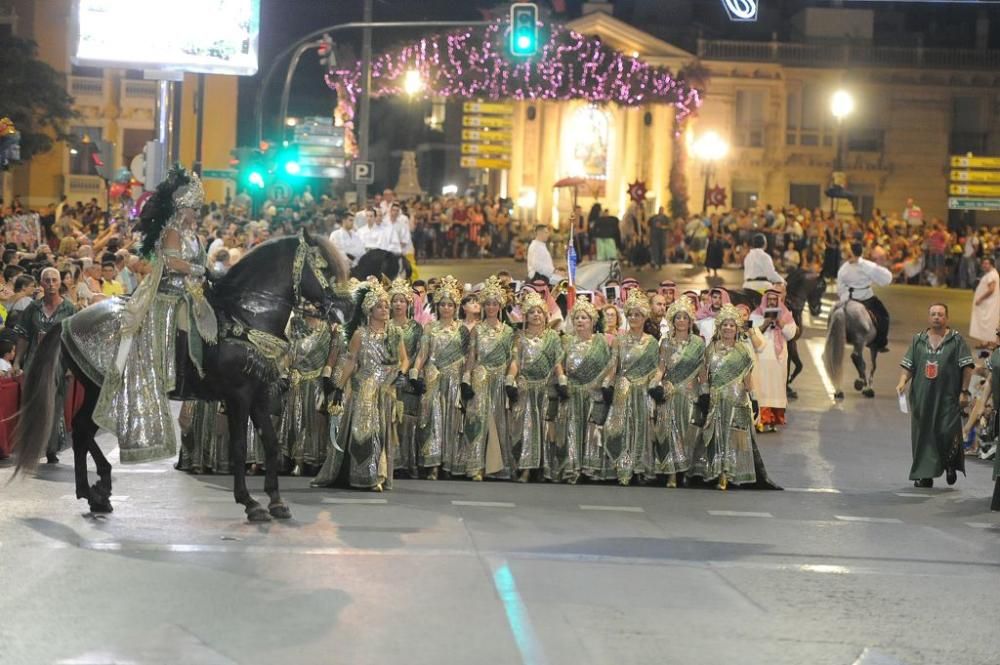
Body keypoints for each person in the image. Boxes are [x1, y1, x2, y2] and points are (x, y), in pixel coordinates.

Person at [89, 167, 217, 465]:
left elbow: (198, 261)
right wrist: (201, 270)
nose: (197, 213)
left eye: (198, 208)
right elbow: (173, 264)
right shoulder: (172, 231)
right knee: (191, 324)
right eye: (193, 208)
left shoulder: (192, 233)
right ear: (180, 207)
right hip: (169, 298)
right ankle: (181, 374)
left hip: (191, 292)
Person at [314, 280, 408, 491]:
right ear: (369, 310)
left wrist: (401, 374)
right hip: (364, 387)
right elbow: (350, 361)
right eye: (379, 306)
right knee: (365, 430)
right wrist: (339, 387)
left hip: (386, 387)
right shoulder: (360, 334)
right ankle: (366, 475)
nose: (385, 309)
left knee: (382, 430)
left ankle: (380, 475)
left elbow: (404, 359)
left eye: (386, 306)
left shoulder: (395, 333)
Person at [896, 303, 974, 488]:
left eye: (940, 314)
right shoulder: (918, 340)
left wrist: (964, 391)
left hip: (948, 397)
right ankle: (925, 475)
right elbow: (909, 366)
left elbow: (967, 368)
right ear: (928, 317)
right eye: (933, 314)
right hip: (922, 397)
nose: (936, 317)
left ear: (947, 318)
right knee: (923, 435)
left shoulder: (956, 340)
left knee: (947, 432)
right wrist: (902, 382)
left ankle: (949, 463)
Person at [688, 304, 758, 490]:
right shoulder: (711, 349)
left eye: (732, 325)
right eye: (724, 325)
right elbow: (704, 375)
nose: (728, 328)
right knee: (716, 436)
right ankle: (715, 471)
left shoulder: (743, 350)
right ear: (719, 328)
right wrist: (703, 393)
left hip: (737, 401)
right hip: (716, 400)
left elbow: (747, 376)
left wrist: (754, 398)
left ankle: (728, 473)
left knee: (733, 437)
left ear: (737, 328)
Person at [13, 267, 76, 463]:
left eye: (54, 280)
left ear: (60, 283)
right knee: (33, 402)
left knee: (55, 404)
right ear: (41, 284)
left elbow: (74, 340)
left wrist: (71, 367)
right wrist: (17, 361)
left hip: (59, 363)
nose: (50, 284)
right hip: (34, 362)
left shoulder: (69, 309)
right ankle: (32, 446)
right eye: (46, 280)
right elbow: (23, 335)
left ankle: (51, 448)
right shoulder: (33, 308)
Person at [413, 276, 470, 480]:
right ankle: (433, 464)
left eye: (450, 304)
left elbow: (468, 358)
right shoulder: (430, 328)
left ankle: (449, 463)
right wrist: (414, 373)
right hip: (433, 378)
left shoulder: (463, 330)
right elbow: (423, 354)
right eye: (443, 304)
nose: (446, 308)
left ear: (456, 307)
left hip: (454, 381)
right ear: (437, 306)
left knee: (453, 423)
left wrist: (466, 380)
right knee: (433, 420)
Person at [601, 290, 660, 485]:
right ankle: (623, 467)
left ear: (645, 317)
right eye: (631, 314)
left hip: (643, 391)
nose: (634, 318)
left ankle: (640, 467)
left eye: (638, 314)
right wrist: (607, 384)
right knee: (619, 428)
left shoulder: (651, 343)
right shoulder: (620, 339)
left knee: (641, 427)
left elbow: (654, 370)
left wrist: (653, 390)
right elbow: (613, 364)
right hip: (622, 388)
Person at [463, 276, 517, 481]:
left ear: (500, 306)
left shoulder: (508, 332)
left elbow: (513, 358)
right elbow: (471, 357)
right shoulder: (477, 330)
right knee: (478, 419)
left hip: (501, 379)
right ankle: (476, 465)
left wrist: (510, 380)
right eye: (488, 304)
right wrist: (466, 379)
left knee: (499, 421)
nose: (492, 307)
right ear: (484, 306)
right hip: (481, 376)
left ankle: (497, 467)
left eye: (495, 304)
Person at [508, 289, 565, 482]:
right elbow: (515, 362)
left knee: (545, 428)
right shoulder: (519, 337)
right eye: (532, 311)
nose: (536, 315)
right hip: (525, 388)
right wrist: (510, 381)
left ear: (545, 314)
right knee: (525, 427)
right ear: (525, 315)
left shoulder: (553, 337)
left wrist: (562, 381)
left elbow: (557, 363)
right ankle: (524, 468)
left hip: (546, 388)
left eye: (539, 311)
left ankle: (543, 468)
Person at [553, 298, 611, 484]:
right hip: (573, 392)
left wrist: (601, 384)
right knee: (573, 430)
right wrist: (562, 381)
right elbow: (558, 363)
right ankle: (573, 468)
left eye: (584, 317)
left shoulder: (602, 341)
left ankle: (591, 469)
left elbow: (610, 364)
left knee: (593, 431)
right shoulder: (567, 341)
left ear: (592, 321)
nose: (580, 321)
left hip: (595, 393)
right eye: (576, 317)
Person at [651, 299, 702, 487]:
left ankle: (686, 470)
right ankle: (671, 472)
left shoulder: (698, 343)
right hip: (669, 392)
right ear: (673, 320)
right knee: (668, 430)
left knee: (688, 432)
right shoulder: (666, 343)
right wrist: (655, 384)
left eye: (685, 318)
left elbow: (702, 370)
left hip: (690, 393)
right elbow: (660, 368)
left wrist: (703, 393)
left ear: (690, 321)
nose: (681, 321)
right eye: (678, 317)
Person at [749, 288, 797, 432]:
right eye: (768, 299)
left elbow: (791, 334)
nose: (771, 302)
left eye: (774, 300)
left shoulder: (786, 315)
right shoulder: (756, 314)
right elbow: (753, 332)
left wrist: (780, 323)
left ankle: (774, 421)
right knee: (762, 388)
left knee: (776, 388)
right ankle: (761, 421)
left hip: (778, 359)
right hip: (761, 357)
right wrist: (767, 322)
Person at [390, 277, 424, 479]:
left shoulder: (416, 328)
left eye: (402, 300)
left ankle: (406, 463)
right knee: (390, 419)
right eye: (395, 300)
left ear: (408, 303)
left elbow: (419, 353)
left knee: (407, 422)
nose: (398, 304)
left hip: (409, 381)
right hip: (387, 378)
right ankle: (390, 463)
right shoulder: (385, 327)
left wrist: (410, 374)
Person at [837, 241, 893, 352]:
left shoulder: (844, 269)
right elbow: (886, 278)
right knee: (883, 317)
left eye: (849, 254)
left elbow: (840, 287)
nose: (848, 257)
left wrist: (843, 299)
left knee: (838, 316)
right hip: (865, 298)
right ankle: (880, 343)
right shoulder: (868, 266)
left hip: (851, 298)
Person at [969, 257, 1000, 347]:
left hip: (988, 304)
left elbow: (991, 289)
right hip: (989, 303)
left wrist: (980, 299)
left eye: (986, 263)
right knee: (988, 323)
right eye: (983, 263)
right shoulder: (992, 274)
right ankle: (986, 342)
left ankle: (989, 342)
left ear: (991, 264)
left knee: (989, 323)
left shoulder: (991, 275)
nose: (984, 265)